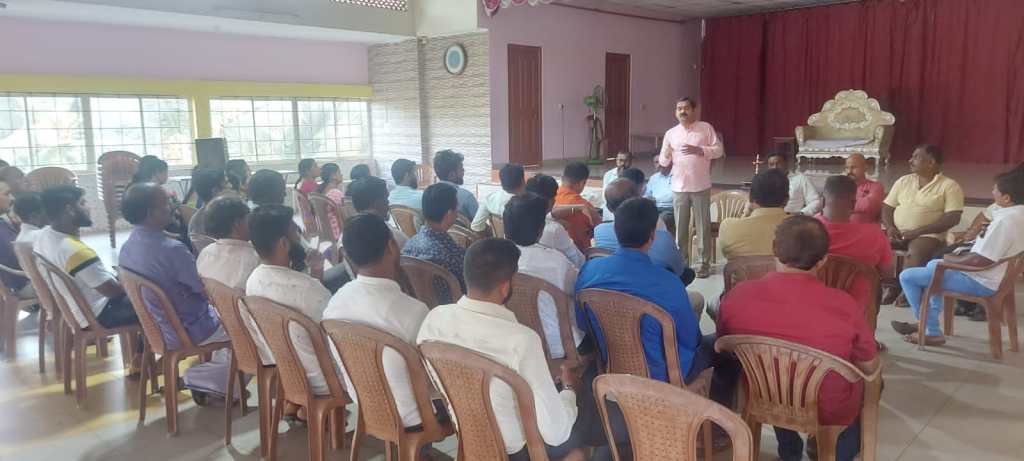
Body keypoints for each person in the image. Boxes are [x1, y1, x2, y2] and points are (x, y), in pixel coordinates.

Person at [418, 238, 611, 460]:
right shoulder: (521, 340)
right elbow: (556, 433)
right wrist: (569, 388)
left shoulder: (434, 320)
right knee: (592, 412)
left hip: (470, 434)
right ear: (506, 286)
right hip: (520, 450)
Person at [718, 215, 879, 461]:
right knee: (871, 385)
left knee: (777, 373)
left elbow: (725, 345)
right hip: (827, 407)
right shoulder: (844, 304)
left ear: (774, 249)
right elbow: (868, 366)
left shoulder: (738, 295)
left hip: (763, 394)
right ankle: (835, 453)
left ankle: (789, 451)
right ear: (823, 260)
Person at [119, 183, 235, 397]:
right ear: (150, 213)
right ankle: (201, 380)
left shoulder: (127, 247)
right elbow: (206, 292)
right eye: (166, 203)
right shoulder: (172, 250)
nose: (172, 207)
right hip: (190, 330)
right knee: (247, 333)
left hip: (157, 329)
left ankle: (214, 382)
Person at [576, 197, 708, 384]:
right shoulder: (669, 283)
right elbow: (691, 338)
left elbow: (583, 324)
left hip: (612, 368)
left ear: (616, 231)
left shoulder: (589, 270)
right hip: (666, 376)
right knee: (710, 348)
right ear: (652, 236)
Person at [323, 213, 432, 429]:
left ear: (349, 257)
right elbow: (435, 376)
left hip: (365, 404)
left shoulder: (335, 303)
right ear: (392, 246)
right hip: (413, 417)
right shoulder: (413, 312)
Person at [891, 169, 1024, 345]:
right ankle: (928, 322)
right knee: (933, 265)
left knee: (907, 276)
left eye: (995, 190)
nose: (992, 192)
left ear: (1006, 198)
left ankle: (930, 329)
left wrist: (950, 259)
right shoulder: (1018, 215)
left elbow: (980, 260)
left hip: (980, 280)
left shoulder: (1004, 222)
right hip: (995, 276)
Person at [245, 204, 333, 393]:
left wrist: (316, 270)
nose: (300, 238)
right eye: (295, 232)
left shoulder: (253, 279)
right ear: (284, 244)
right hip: (324, 380)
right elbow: (336, 333)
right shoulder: (307, 288)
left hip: (288, 374)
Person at [35, 186, 138, 330]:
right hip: (100, 314)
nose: (89, 208)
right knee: (157, 301)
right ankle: (150, 343)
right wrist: (130, 280)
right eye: (82, 203)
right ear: (70, 210)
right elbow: (113, 291)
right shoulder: (74, 251)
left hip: (79, 311)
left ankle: (144, 343)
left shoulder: (43, 236)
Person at [881, 144, 964, 306]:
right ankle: (890, 286)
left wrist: (918, 231)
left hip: (928, 235)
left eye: (916, 157)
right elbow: (887, 207)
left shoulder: (949, 186)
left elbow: (953, 218)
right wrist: (890, 227)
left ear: (931, 162)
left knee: (916, 252)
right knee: (876, 246)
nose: (910, 160)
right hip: (897, 231)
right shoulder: (903, 181)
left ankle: (907, 292)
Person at [504, 193, 582, 359]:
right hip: (561, 345)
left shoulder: (495, 259)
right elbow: (577, 290)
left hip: (516, 343)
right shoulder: (555, 260)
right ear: (540, 230)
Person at [659, 97, 723, 278]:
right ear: (675, 112)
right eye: (679, 108)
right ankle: (682, 263)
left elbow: (718, 150)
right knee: (681, 228)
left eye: (686, 108)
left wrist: (701, 150)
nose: (682, 111)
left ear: (694, 110)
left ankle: (703, 263)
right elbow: (663, 162)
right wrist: (666, 154)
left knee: (702, 226)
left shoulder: (705, 128)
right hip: (679, 187)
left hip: (700, 185)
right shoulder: (671, 133)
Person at [817, 175, 895, 316]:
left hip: (814, 308)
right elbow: (887, 274)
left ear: (822, 201)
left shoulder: (806, 231)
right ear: (854, 204)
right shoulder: (875, 235)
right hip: (858, 312)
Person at [594, 178, 687, 277]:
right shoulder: (663, 237)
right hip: (653, 281)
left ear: (609, 208)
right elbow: (679, 270)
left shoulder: (599, 231)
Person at [401, 183, 466, 304]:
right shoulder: (453, 255)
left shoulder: (408, 247)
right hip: (452, 310)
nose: (457, 213)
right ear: (449, 214)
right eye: (456, 208)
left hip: (420, 307)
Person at [718, 169, 790, 259]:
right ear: (786, 200)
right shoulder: (802, 230)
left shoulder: (728, 227)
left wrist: (746, 213)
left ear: (751, 198)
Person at [196, 196, 260, 290]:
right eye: (249, 217)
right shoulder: (256, 258)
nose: (252, 222)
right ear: (237, 223)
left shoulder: (206, 252)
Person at [525, 174, 585, 268]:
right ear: (551, 201)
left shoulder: (515, 219)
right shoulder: (554, 229)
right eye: (554, 197)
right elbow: (579, 262)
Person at [349, 176, 407, 249]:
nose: (388, 202)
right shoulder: (392, 235)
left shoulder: (345, 236)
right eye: (386, 198)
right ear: (377, 203)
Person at [554, 162, 601, 252]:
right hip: (579, 253)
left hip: (556, 251)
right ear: (582, 183)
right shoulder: (584, 206)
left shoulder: (551, 198)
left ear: (562, 178)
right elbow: (599, 227)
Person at [0, 178, 32, 298]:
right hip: (21, 285)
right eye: (7, 194)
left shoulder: (3, 222)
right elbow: (20, 258)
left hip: (19, 281)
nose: (12, 198)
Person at [471, 163, 525, 233]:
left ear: (501, 183)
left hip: (499, 239)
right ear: (523, 181)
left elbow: (476, 226)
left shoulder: (489, 199)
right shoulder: (532, 203)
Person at [767, 151, 822, 215]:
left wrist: (801, 213)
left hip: (793, 219)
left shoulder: (800, 179)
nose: (775, 167)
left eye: (778, 163)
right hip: (768, 217)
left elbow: (815, 201)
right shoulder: (764, 181)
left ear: (786, 163)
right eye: (771, 164)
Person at [433, 149, 478, 220]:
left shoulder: (428, 195)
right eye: (461, 169)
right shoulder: (467, 197)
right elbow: (479, 224)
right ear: (451, 175)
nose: (464, 171)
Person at [187, 168, 228, 237]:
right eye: (226, 184)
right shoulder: (221, 218)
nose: (231, 186)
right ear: (216, 191)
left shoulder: (197, 219)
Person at [844, 153, 884, 223]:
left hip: (866, 228)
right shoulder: (841, 186)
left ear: (865, 168)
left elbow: (869, 204)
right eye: (847, 168)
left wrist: (842, 204)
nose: (849, 171)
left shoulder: (876, 186)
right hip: (841, 227)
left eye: (854, 167)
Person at [601, 151, 632, 220]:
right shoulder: (608, 174)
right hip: (610, 213)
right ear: (616, 160)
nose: (623, 163)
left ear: (630, 162)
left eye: (626, 161)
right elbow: (604, 194)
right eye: (620, 160)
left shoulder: (634, 175)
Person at [317, 163, 345, 240]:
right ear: (333, 176)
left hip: (326, 231)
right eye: (339, 172)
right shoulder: (335, 193)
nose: (341, 175)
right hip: (337, 233)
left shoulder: (321, 190)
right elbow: (343, 217)